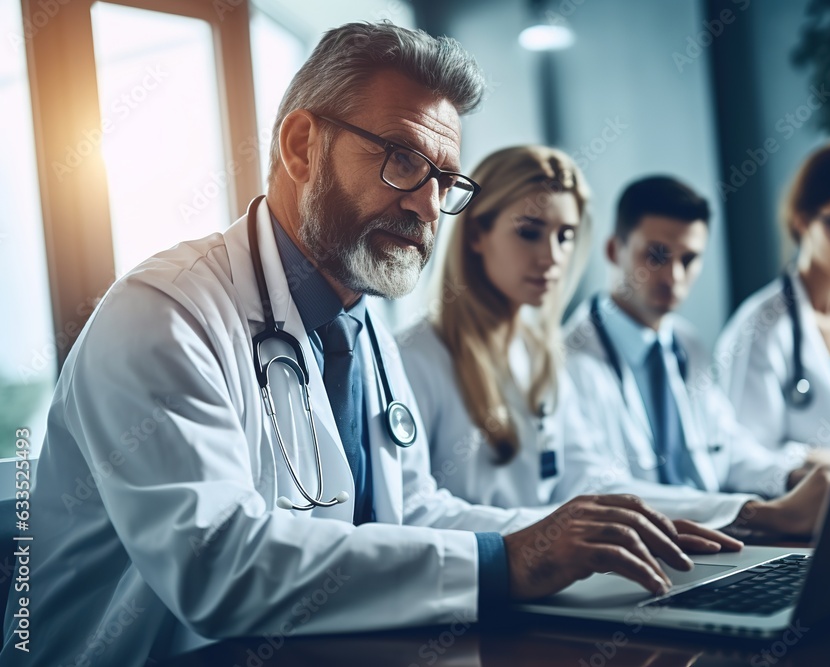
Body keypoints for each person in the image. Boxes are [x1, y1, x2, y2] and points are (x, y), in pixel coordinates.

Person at [2, 24, 735, 666]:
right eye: (404, 159)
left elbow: (414, 514)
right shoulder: (165, 314)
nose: (425, 204)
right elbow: (217, 568)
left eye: (444, 179)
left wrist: (581, 535)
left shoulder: (361, 323)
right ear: (300, 145)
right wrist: (512, 559)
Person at [397, 147, 826, 534]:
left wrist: (750, 509)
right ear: (475, 234)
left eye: (564, 235)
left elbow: (593, 483)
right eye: (529, 231)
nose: (552, 257)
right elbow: (413, 515)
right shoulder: (414, 358)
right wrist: (759, 513)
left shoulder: (539, 357)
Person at [564, 175, 830, 525]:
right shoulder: (569, 360)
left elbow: (727, 451)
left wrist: (796, 474)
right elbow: (596, 487)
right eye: (657, 255)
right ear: (615, 251)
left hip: (714, 541)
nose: (674, 276)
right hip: (635, 554)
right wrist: (755, 514)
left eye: (689, 259)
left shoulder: (687, 345)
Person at [714, 141, 830, 461]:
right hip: (793, 506)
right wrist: (811, 461)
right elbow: (739, 458)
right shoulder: (760, 325)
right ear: (802, 220)